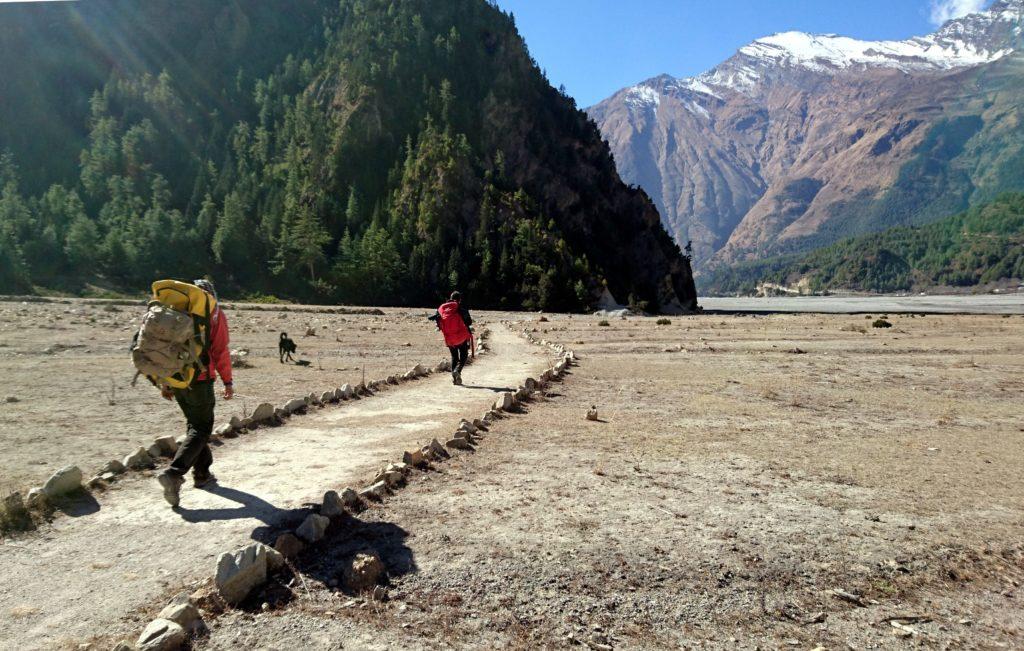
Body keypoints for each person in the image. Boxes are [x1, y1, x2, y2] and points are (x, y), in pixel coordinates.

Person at [156, 278, 234, 507]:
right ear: (210, 295)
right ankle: (173, 474)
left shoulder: (175, 312)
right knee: (201, 428)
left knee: (194, 425)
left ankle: (202, 474)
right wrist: (228, 381)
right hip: (200, 379)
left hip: (176, 378)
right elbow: (220, 350)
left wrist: (164, 381)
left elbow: (163, 350)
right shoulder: (215, 315)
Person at [429, 291, 473, 385]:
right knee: (464, 354)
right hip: (461, 337)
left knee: (454, 356)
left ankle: (454, 378)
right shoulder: (460, 307)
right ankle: (458, 370)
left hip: (449, 338)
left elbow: (439, 324)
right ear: (459, 299)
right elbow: (469, 322)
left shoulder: (441, 308)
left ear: (450, 298)